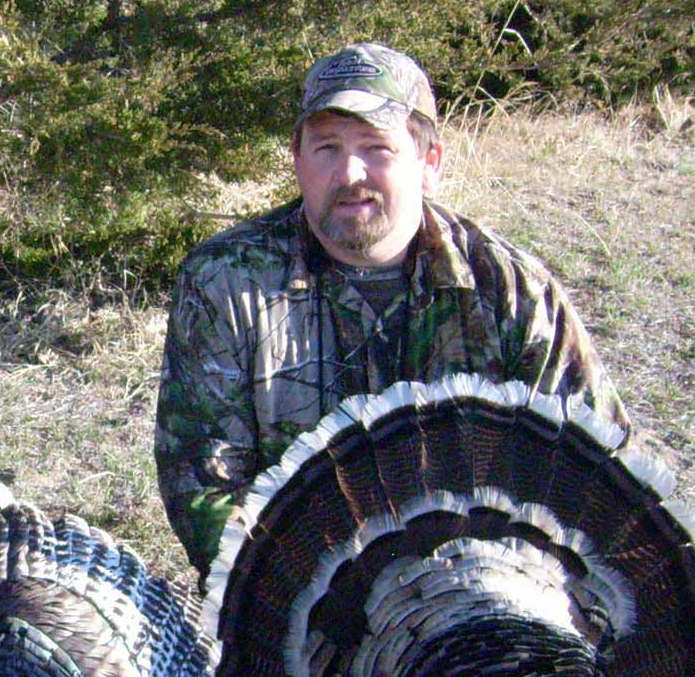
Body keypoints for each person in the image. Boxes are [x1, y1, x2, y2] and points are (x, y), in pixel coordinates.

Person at [154, 42, 628, 577]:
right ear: (297, 159)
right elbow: (204, 488)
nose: (350, 172)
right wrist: (318, 595)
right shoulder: (226, 281)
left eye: (377, 147)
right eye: (327, 147)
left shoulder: (512, 290)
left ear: (429, 163)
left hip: (488, 587)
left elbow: (597, 473)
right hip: (300, 599)